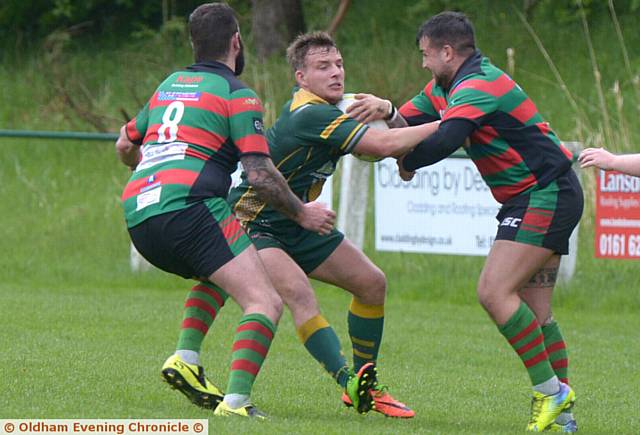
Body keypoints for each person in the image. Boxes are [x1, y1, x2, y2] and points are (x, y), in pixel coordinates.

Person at [115, 3, 344, 419]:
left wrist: (148, 169)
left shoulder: (168, 85)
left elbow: (125, 145)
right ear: (236, 41)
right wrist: (301, 213)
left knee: (218, 271)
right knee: (264, 301)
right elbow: (259, 174)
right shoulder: (238, 96)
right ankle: (236, 403)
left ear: (194, 43)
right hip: (190, 207)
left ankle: (186, 356)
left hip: (138, 215)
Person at [371, 11, 580, 432]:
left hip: (544, 194)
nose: (423, 63)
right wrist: (387, 110)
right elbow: (409, 124)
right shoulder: (444, 86)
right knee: (537, 314)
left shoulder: (480, 84)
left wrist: (406, 161)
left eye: (426, 55)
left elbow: (446, 139)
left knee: (492, 291)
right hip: (539, 195)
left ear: (447, 52)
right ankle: (564, 419)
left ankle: (553, 392)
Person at [227, 31, 440, 418]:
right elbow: (383, 147)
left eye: (339, 64)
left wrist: (390, 110)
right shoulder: (313, 113)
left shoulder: (340, 104)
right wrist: (456, 123)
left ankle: (365, 382)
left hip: (298, 219)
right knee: (299, 295)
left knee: (372, 283)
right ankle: (346, 384)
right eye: (323, 67)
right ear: (301, 77)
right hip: (253, 219)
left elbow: (397, 137)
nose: (336, 72)